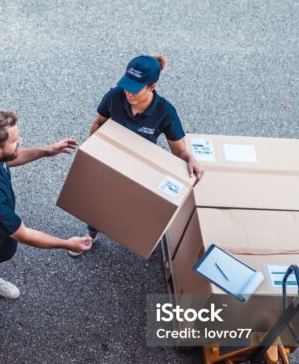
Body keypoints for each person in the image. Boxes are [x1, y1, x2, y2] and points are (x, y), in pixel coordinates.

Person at [0, 110, 92, 334]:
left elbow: (9, 159)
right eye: (15, 140)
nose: (20, 141)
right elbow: (24, 234)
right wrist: (67, 244)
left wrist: (46, 150)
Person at [69, 54, 205, 256]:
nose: (128, 93)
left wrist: (191, 159)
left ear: (152, 86)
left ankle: (135, 236)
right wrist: (93, 150)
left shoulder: (165, 112)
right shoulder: (115, 96)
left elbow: (179, 151)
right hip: (111, 158)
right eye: (127, 85)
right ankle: (91, 231)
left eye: (135, 88)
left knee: (133, 203)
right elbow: (99, 122)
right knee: (100, 198)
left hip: (140, 166)